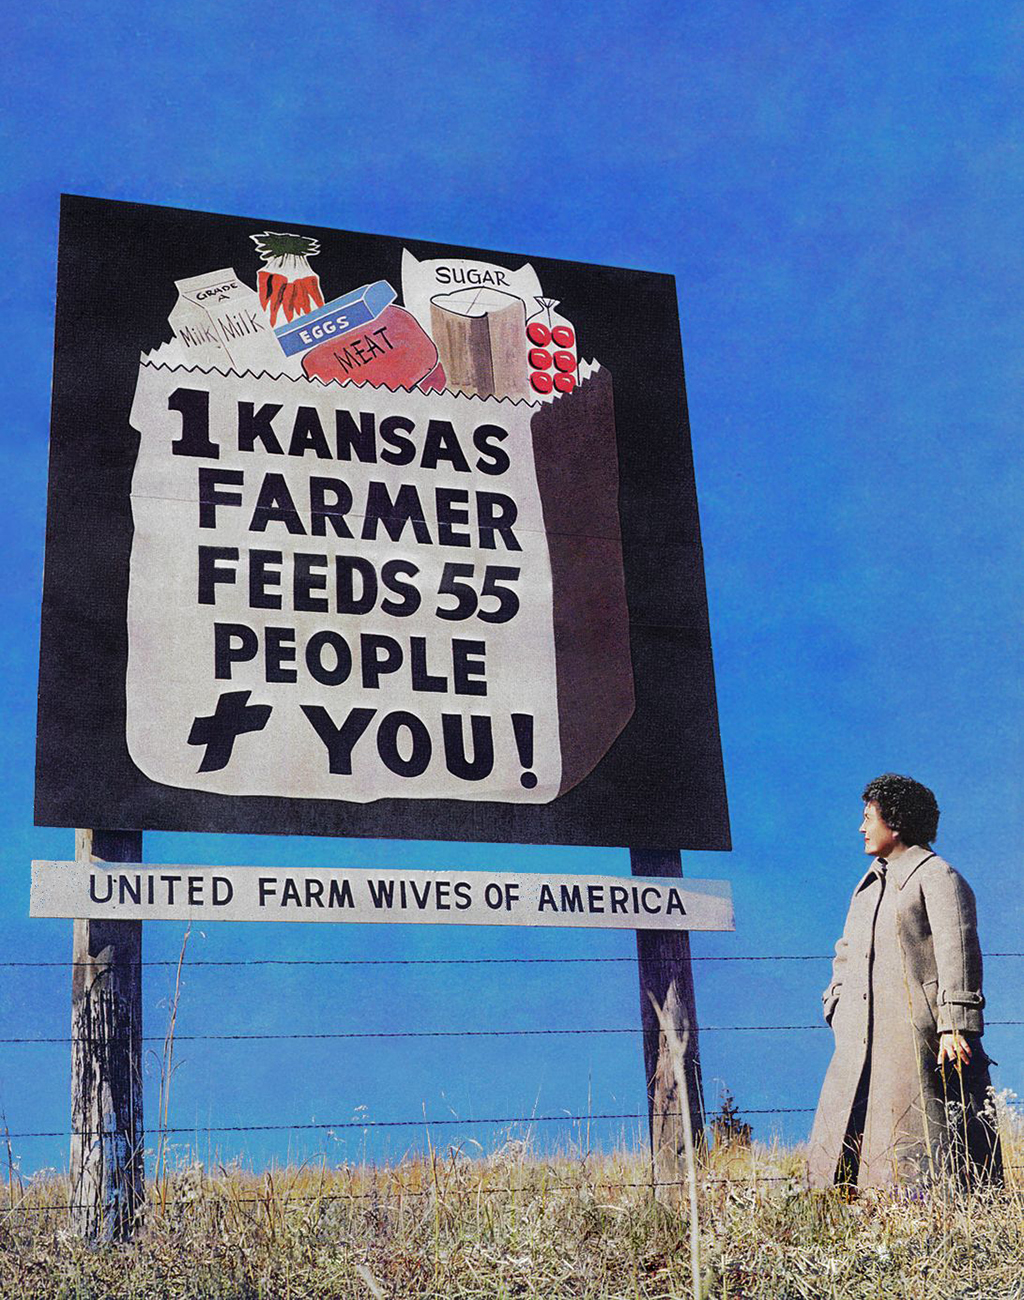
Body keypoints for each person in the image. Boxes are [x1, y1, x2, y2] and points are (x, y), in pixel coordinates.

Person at [807, 774, 1003, 1190]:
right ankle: (842, 1209)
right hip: (860, 1036)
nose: (861, 828)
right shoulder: (867, 886)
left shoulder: (937, 876)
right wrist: (836, 1004)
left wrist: (955, 1024)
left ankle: (926, 1214)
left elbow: (959, 950)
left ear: (894, 822)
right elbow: (844, 951)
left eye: (868, 818)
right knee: (850, 1132)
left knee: (920, 1145)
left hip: (920, 1036)